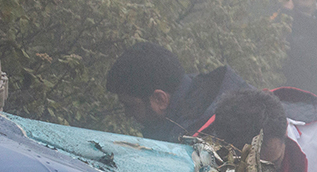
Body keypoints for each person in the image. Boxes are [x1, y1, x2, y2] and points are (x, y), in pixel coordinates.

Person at [105, 41, 254, 140]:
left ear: (160, 99)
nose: (127, 114)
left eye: (131, 106)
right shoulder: (196, 97)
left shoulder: (209, 139)